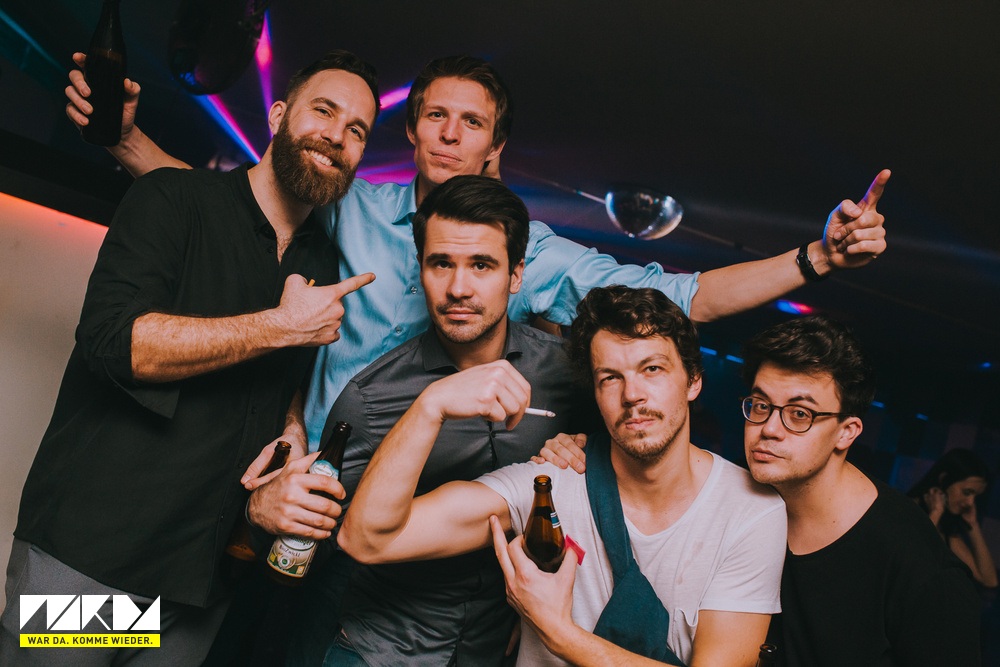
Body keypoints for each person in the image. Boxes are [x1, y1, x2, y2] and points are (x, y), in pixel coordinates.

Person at [65, 54, 891, 450]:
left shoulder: (528, 253)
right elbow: (232, 203)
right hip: (281, 478)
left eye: (471, 123)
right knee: (98, 631)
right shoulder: (354, 206)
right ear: (413, 131)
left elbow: (684, 295)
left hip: (406, 509)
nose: (450, 134)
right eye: (435, 116)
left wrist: (815, 260)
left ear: (495, 147)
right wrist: (126, 141)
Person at [0, 50, 380, 666]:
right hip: (93, 562)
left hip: (199, 587)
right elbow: (114, 343)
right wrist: (278, 326)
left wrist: (290, 428)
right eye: (324, 111)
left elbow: (280, 378)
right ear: (278, 116)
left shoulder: (320, 262)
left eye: (357, 129)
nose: (337, 135)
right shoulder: (174, 198)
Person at [339, 285, 788, 666]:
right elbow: (368, 539)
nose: (632, 394)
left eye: (652, 369)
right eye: (610, 378)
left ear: (693, 381)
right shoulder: (550, 482)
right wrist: (430, 406)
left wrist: (556, 631)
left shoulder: (751, 511)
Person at [247, 174, 594, 666]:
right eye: (441, 264)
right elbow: (314, 545)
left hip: (503, 650)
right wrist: (264, 512)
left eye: (481, 265)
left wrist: (582, 454)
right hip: (381, 649)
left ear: (516, 276)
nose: (458, 288)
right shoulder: (372, 397)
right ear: (420, 268)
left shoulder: (569, 375)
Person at [740, 315, 982, 666]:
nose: (769, 429)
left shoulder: (918, 566)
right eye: (762, 406)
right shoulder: (745, 503)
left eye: (800, 414)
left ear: (846, 432)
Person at [908, 448, 998, 588]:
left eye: (975, 496)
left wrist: (973, 525)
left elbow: (989, 580)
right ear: (944, 480)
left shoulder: (946, 529)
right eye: (967, 492)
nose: (970, 502)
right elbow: (908, 561)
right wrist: (935, 514)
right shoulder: (908, 509)